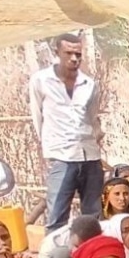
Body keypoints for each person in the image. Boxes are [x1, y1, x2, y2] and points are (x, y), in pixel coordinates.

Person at [30, 33, 105, 230]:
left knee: (93, 217)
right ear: (57, 52)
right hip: (61, 156)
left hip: (90, 155)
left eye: (78, 54)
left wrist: (96, 139)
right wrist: (51, 148)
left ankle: (91, 250)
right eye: (68, 53)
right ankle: (55, 251)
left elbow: (92, 118)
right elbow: (38, 117)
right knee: (57, 217)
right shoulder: (41, 81)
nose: (74, 58)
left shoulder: (89, 85)